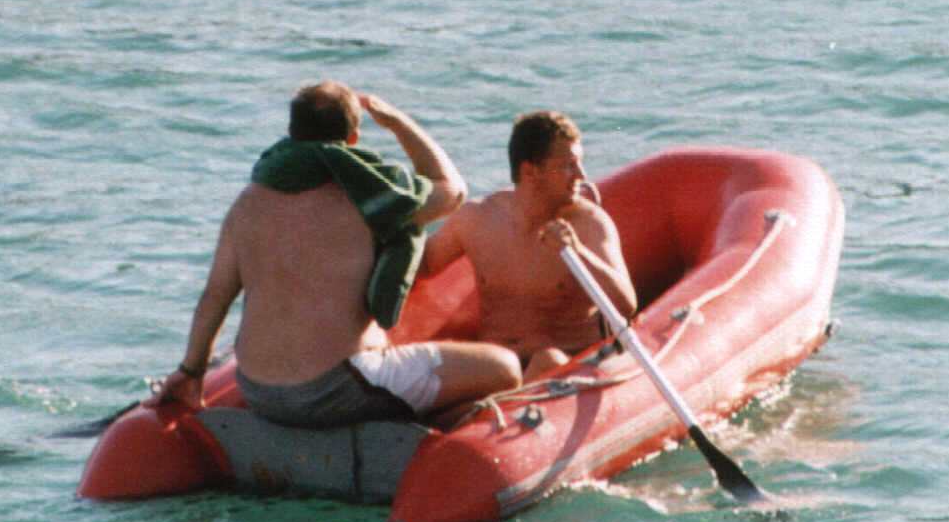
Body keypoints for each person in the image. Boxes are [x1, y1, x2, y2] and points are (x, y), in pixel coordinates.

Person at [154, 83, 521, 428]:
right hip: (339, 390)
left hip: (257, 390)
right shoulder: (371, 201)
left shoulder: (247, 203)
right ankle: (432, 437)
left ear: (292, 134)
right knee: (504, 367)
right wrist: (397, 122)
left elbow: (214, 298)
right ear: (353, 140)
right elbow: (453, 191)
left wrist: (190, 373)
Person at [422, 110, 638, 380]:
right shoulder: (476, 219)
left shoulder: (590, 224)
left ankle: (502, 399)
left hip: (567, 367)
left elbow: (625, 305)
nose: (581, 175)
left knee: (547, 360)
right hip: (498, 367)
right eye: (568, 165)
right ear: (530, 171)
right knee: (444, 365)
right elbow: (424, 264)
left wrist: (577, 252)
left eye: (579, 164)